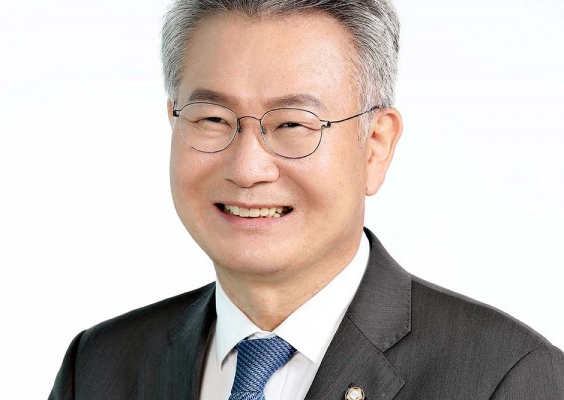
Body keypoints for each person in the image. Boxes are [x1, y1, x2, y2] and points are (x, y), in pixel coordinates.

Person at [48, 1, 564, 399]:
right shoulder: (99, 366)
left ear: (375, 146)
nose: (248, 168)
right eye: (212, 119)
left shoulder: (507, 378)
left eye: (294, 124)